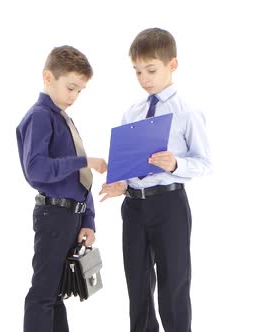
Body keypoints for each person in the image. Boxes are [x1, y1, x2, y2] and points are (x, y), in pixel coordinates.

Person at [99, 28, 212, 332]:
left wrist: (176, 163)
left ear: (172, 65)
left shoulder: (187, 112)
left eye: (151, 70)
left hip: (169, 205)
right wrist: (119, 182)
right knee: (137, 287)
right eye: (137, 72)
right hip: (134, 208)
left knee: (173, 284)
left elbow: (204, 163)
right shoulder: (132, 113)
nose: (144, 78)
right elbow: (125, 165)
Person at [16, 45, 108, 332]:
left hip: (71, 217)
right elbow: (37, 169)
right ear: (47, 77)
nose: (74, 97)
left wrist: (88, 219)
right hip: (53, 216)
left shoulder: (63, 118)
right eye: (70, 88)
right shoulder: (41, 116)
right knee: (43, 294)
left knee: (56, 294)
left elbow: (79, 179)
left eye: (79, 91)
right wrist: (84, 160)